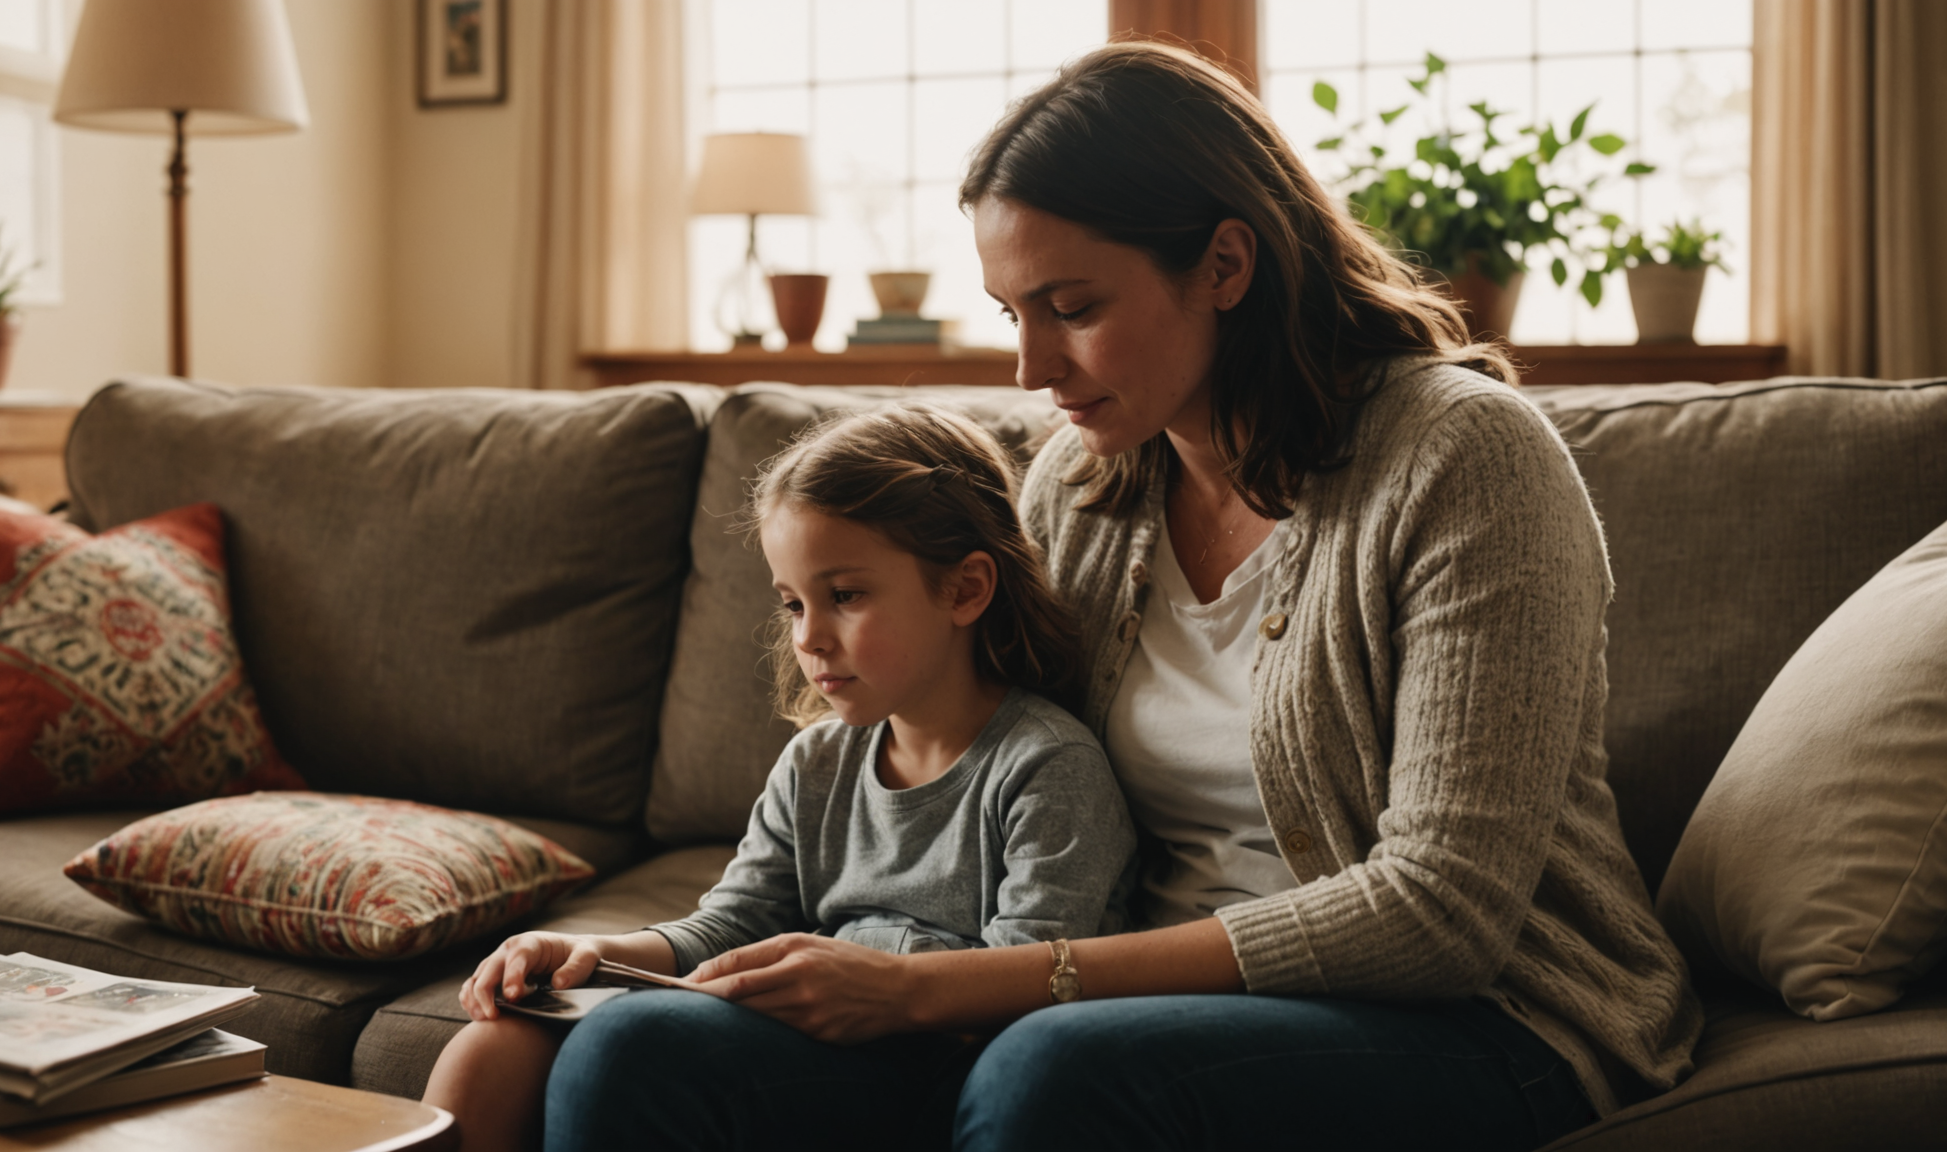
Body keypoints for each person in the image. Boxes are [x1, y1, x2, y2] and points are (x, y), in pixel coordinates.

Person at [546, 40, 1702, 1152]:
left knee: (1045, 1072)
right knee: (635, 1047)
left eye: (1074, 307)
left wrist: (941, 990)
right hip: (1103, 1012)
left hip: (1486, 1019)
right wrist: (678, 955)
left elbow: (1437, 915)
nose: (1030, 369)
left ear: (1226, 267)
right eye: (1014, 314)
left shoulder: (1467, 461)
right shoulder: (1081, 488)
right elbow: (985, 757)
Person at [423, 404, 1137, 1152]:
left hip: (948, 1064)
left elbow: (1033, 987)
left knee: (632, 1042)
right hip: (822, 1045)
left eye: (846, 596)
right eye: (792, 602)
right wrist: (590, 954)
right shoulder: (817, 762)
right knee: (494, 1044)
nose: (808, 637)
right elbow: (731, 925)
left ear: (964, 589)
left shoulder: (1047, 766)